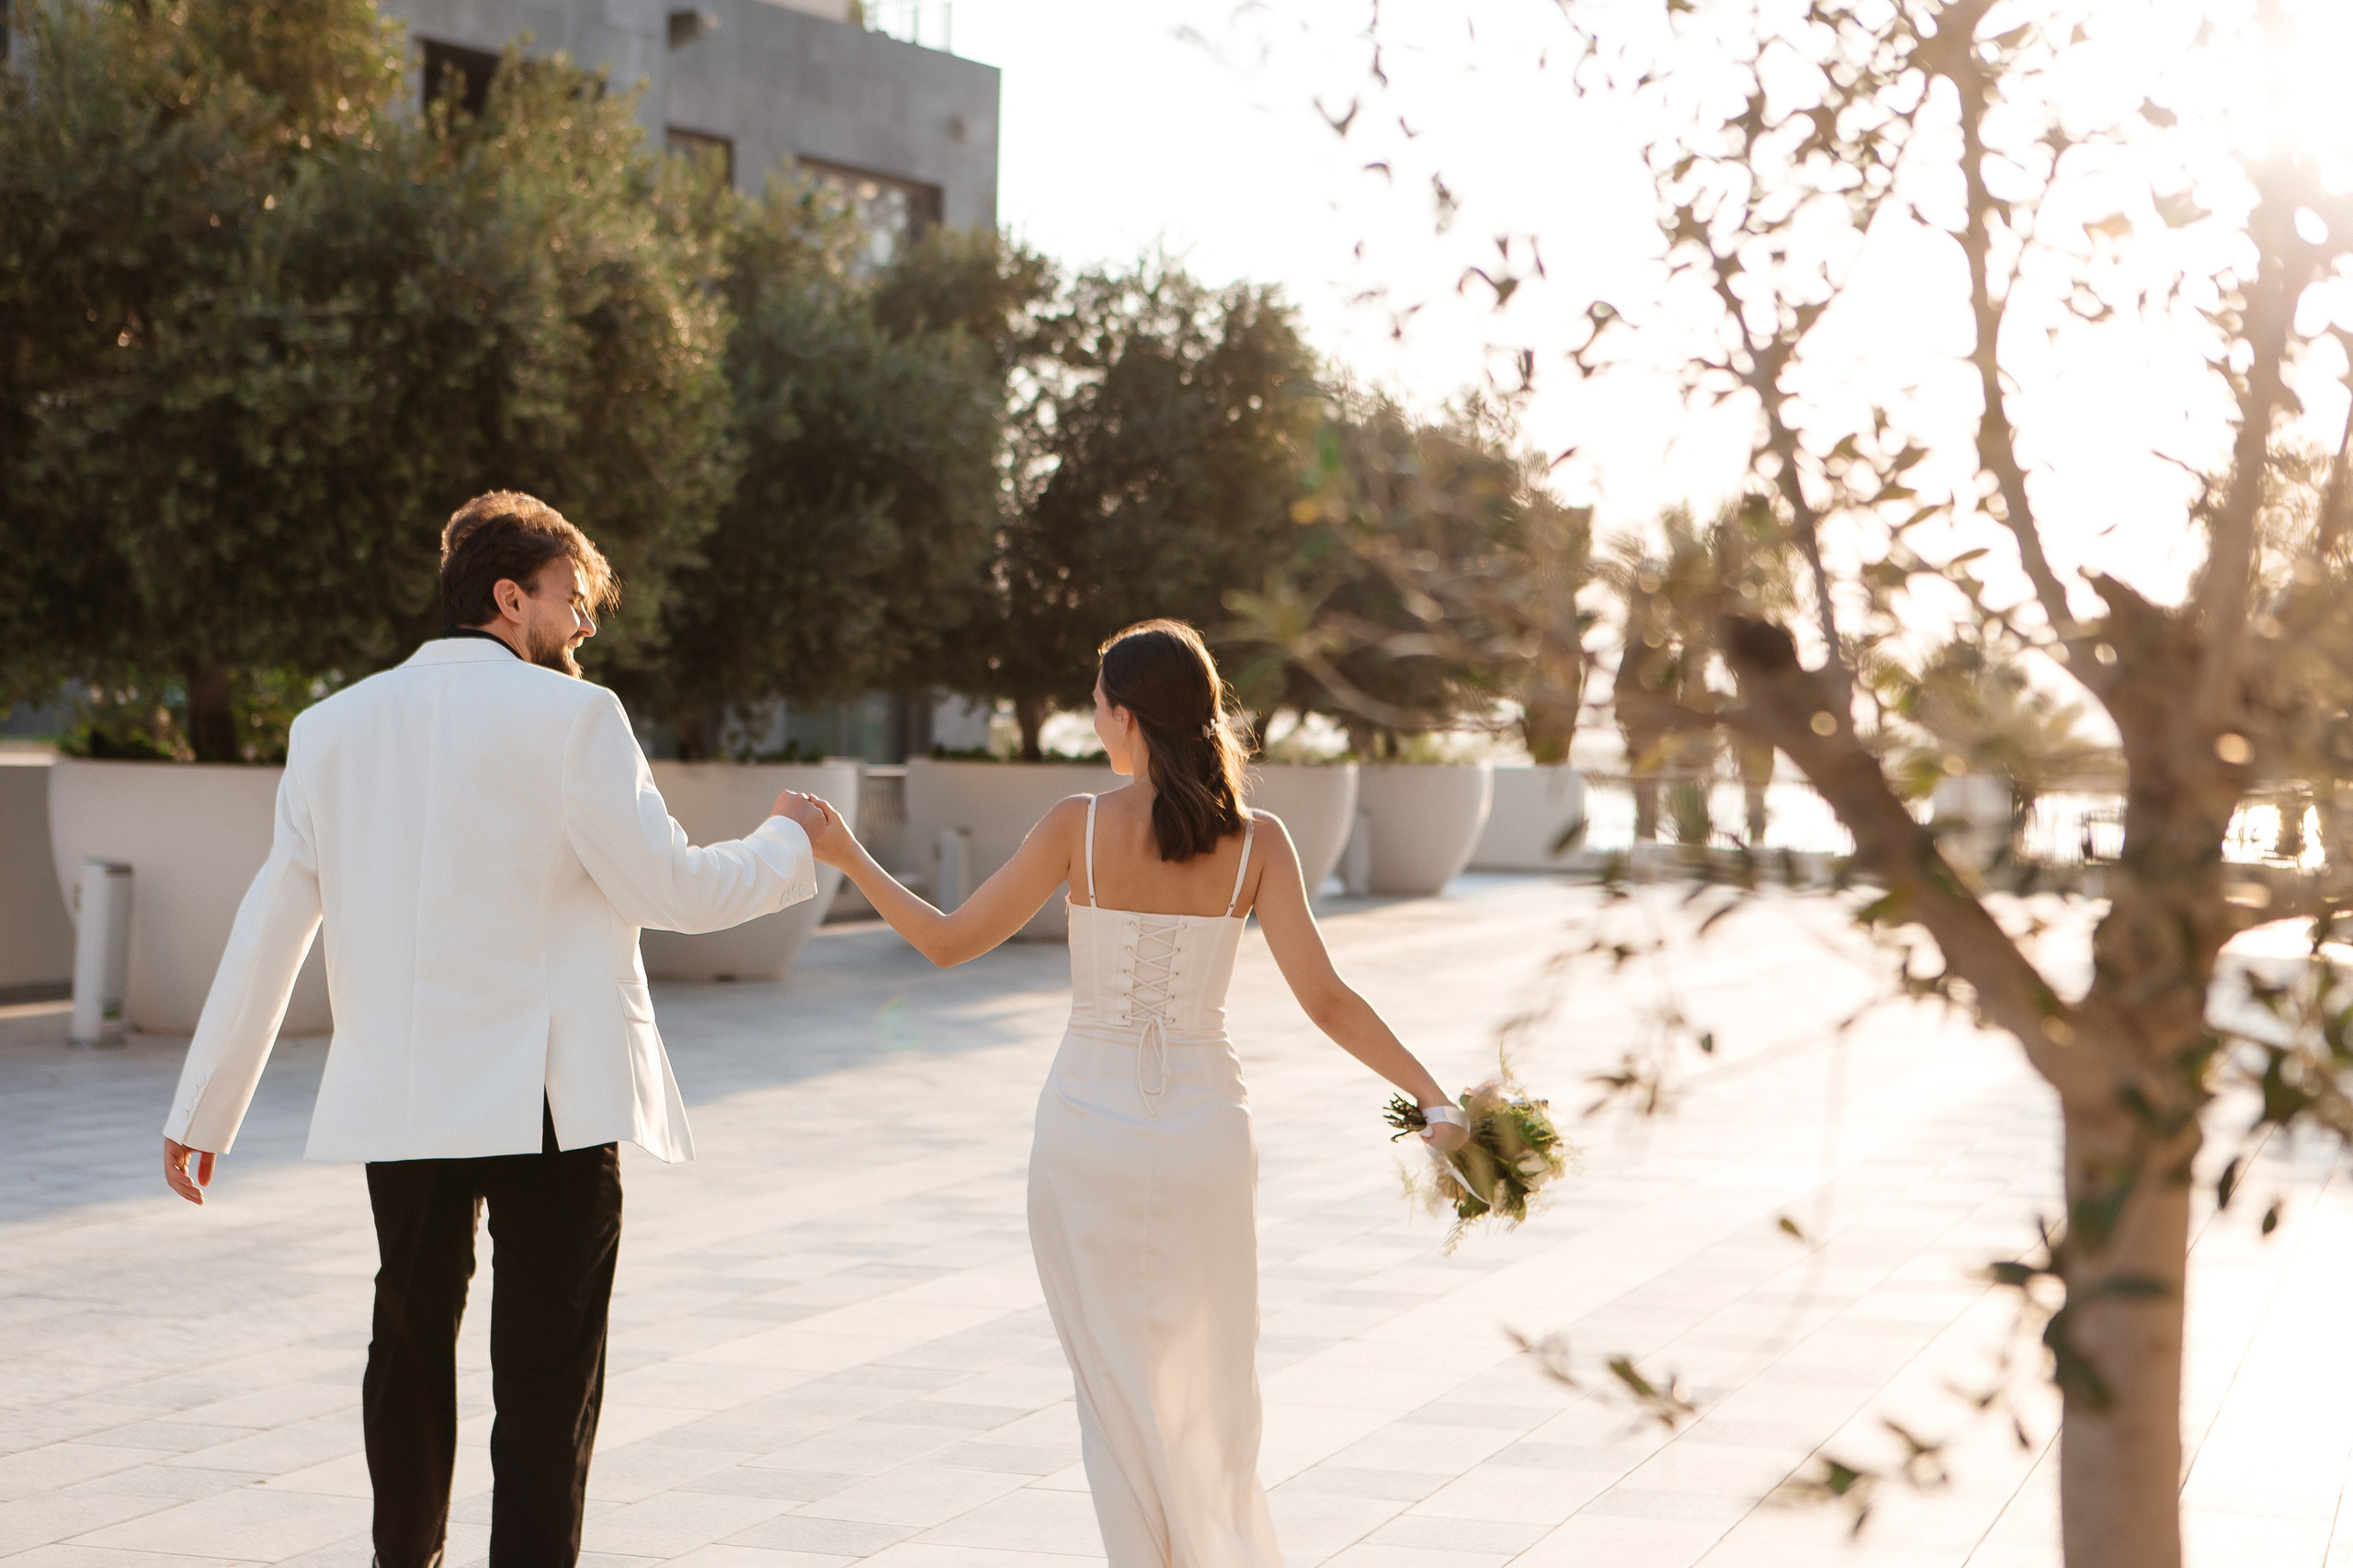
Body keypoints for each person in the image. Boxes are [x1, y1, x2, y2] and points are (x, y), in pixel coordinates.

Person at [159, 491, 832, 1568]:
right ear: (508, 598)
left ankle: (403, 1560)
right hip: (552, 1104)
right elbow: (672, 887)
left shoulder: (330, 728)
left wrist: (204, 1108)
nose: (585, 628)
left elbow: (270, 925)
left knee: (410, 1347)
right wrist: (786, 841)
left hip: (408, 1097)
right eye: (572, 601)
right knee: (548, 1378)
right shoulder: (576, 719)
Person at [793, 619, 1470, 1568]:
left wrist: (848, 855)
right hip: (1205, 1132)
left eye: (1097, 701)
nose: (1093, 717)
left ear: (1124, 713)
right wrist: (1433, 1095)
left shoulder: (1077, 824)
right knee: (1209, 1384)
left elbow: (947, 940)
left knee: (1113, 1386)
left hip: (1085, 1131)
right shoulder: (1258, 841)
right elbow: (1324, 997)